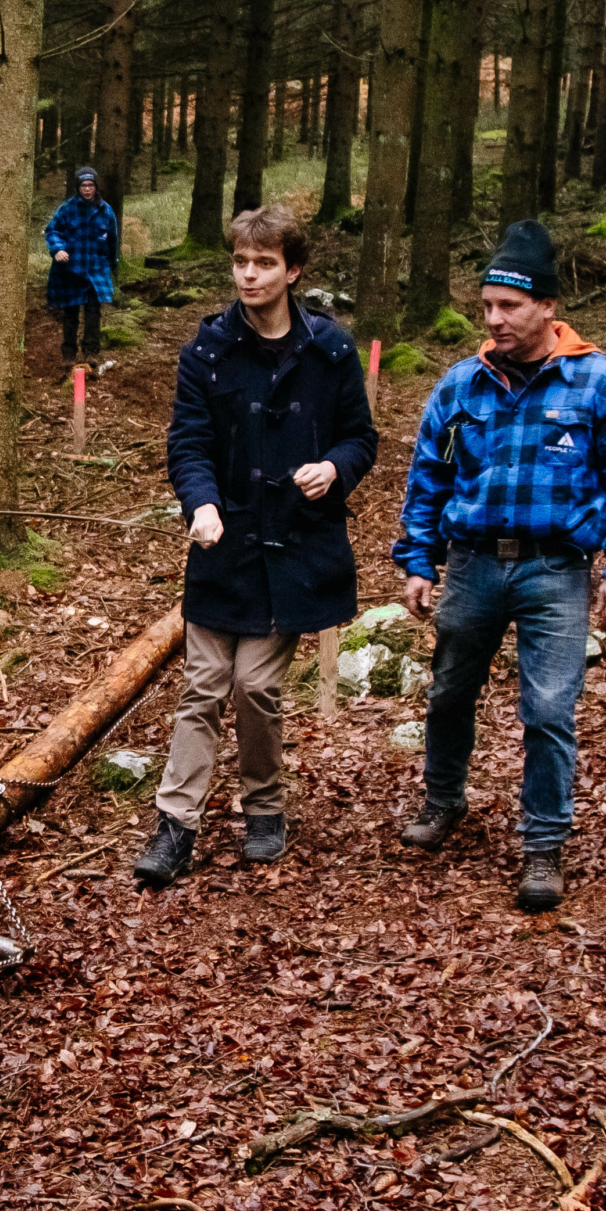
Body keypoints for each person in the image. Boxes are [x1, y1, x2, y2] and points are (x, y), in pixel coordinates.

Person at [392, 219, 606, 913]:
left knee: (548, 708)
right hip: (475, 565)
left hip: (556, 569)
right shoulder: (462, 387)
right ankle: (442, 799)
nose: (494, 319)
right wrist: (419, 560)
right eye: (487, 306)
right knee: (450, 691)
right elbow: (429, 476)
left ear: (547, 306)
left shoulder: (600, 384)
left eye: (509, 306)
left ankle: (543, 841)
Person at [134, 205, 377, 887]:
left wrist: (334, 468)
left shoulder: (330, 350)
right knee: (203, 685)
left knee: (257, 685)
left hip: (295, 547)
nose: (249, 273)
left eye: (264, 262)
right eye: (241, 261)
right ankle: (175, 826)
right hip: (224, 544)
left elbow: (361, 438)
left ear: (292, 270)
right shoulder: (207, 351)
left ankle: (264, 805)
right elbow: (187, 443)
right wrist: (202, 501)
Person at [45, 166, 119, 367]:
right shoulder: (67, 209)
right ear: (78, 187)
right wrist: (57, 249)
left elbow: (113, 241)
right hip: (70, 270)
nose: (87, 189)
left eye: (91, 185)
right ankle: (68, 355)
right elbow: (52, 231)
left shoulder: (106, 211)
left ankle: (91, 353)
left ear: (96, 187)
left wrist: (113, 265)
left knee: (93, 313)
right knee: (70, 314)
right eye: (83, 185)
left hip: (96, 270)